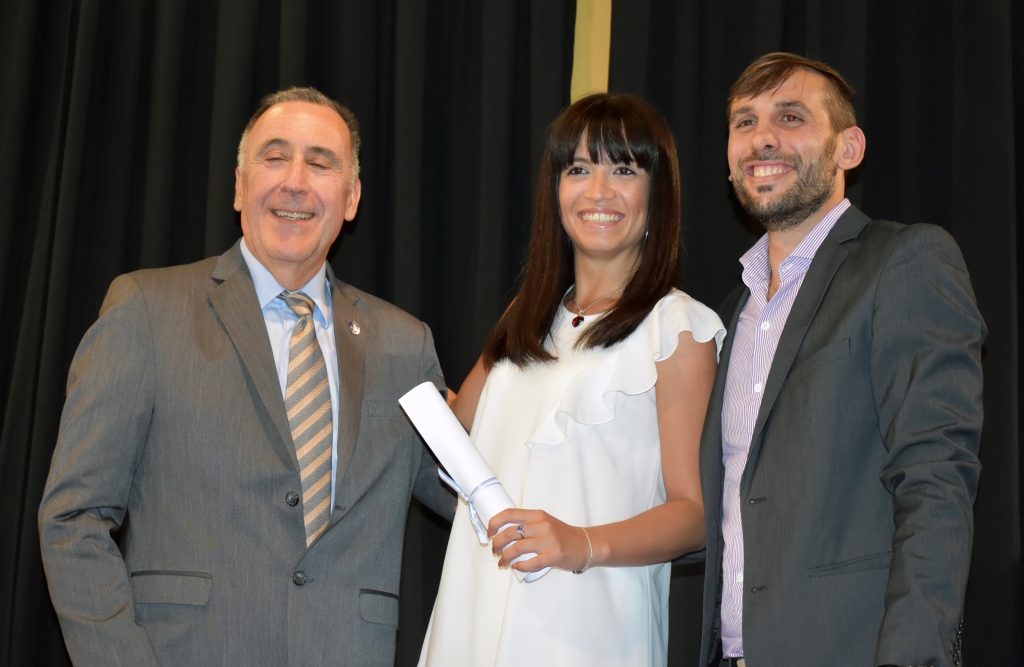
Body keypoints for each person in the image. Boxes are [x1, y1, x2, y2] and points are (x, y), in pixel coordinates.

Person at [38, 87, 454, 666]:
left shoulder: (406, 347)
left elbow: (480, 498)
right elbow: (73, 518)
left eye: (321, 162)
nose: (295, 182)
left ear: (352, 197)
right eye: (275, 156)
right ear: (239, 185)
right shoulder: (146, 311)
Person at [698, 53, 985, 667]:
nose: (762, 138)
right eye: (744, 123)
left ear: (848, 148)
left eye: (791, 116)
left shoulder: (903, 262)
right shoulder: (733, 311)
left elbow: (935, 480)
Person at [419, 93, 725, 666]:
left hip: (590, 631)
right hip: (473, 617)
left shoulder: (677, 326)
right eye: (578, 169)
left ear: (656, 194)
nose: (598, 191)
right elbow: (453, 436)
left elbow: (697, 514)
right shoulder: (525, 318)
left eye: (624, 169)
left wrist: (580, 542)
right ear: (554, 190)